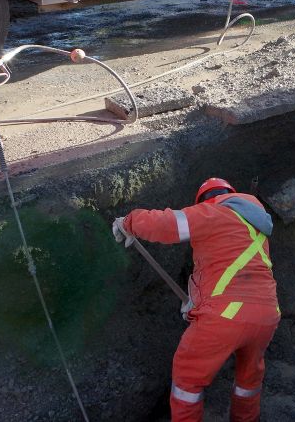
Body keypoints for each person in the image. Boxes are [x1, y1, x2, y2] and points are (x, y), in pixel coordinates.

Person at [113, 178, 280, 422]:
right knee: (248, 380)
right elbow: (226, 272)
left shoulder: (214, 212)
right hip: (267, 314)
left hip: (225, 317)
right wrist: (198, 302)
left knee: (187, 380)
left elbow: (168, 224)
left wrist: (129, 222)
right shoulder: (255, 223)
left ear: (205, 200)